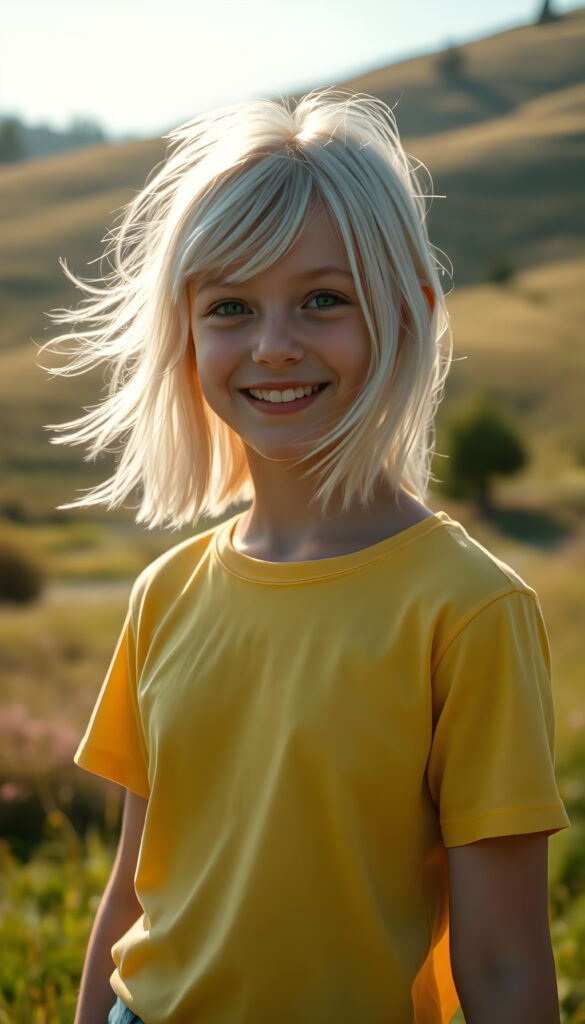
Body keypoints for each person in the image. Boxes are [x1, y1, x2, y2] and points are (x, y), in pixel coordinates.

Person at [45, 89, 569, 1024]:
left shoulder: (468, 610)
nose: (273, 346)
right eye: (231, 307)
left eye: (323, 299)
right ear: (186, 332)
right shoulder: (164, 594)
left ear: (406, 313)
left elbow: (501, 967)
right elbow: (131, 895)